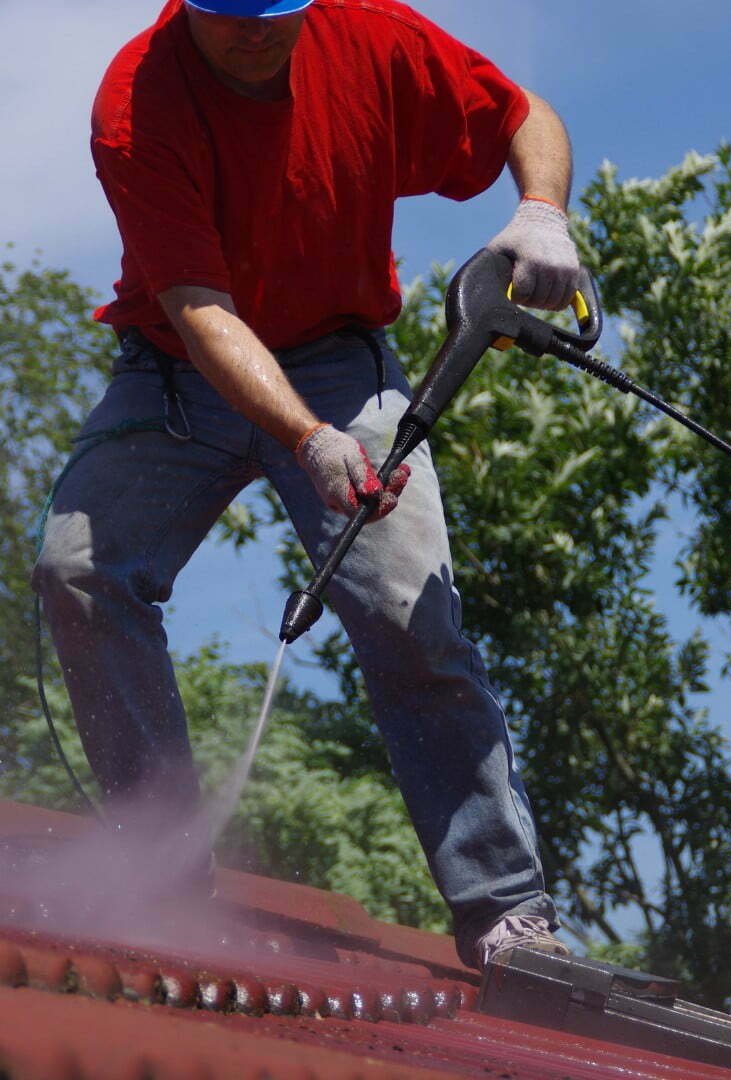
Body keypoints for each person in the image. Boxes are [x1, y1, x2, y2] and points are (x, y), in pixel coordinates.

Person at [34, 0, 581, 969]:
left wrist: (541, 210)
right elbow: (199, 310)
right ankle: (160, 878)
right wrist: (305, 438)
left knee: (412, 608)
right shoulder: (136, 101)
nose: (252, 32)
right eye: (228, 14)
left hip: (341, 356)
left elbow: (522, 115)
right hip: (181, 369)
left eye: (272, 12)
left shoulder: (372, 39)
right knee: (79, 569)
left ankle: (506, 913)